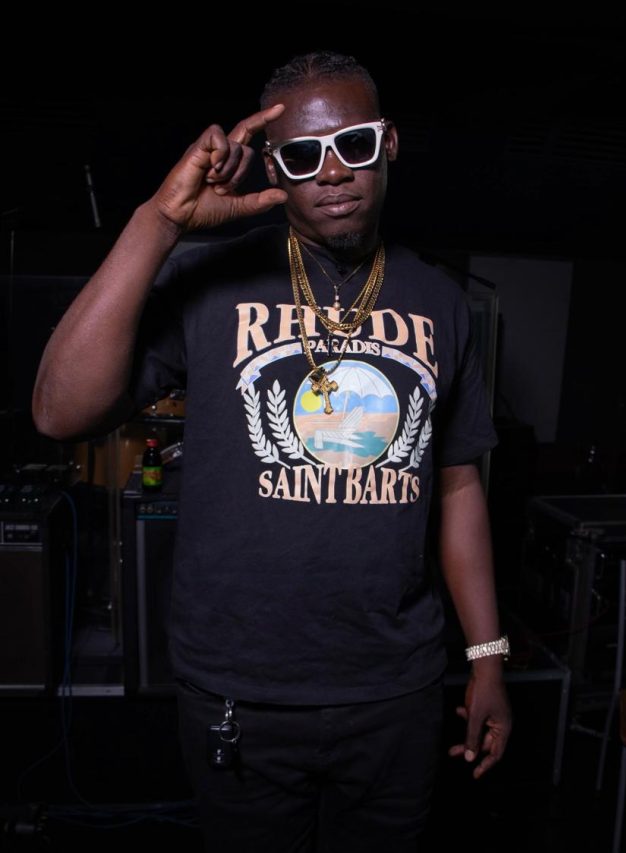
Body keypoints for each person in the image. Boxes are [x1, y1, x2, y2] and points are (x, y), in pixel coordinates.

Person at [33, 51, 512, 852]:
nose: (332, 172)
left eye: (353, 144)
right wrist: (160, 221)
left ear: (388, 143)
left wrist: (488, 656)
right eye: (302, 156)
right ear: (274, 168)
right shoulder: (211, 278)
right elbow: (58, 410)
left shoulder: (441, 301)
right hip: (241, 693)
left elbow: (458, 483)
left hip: (397, 691)